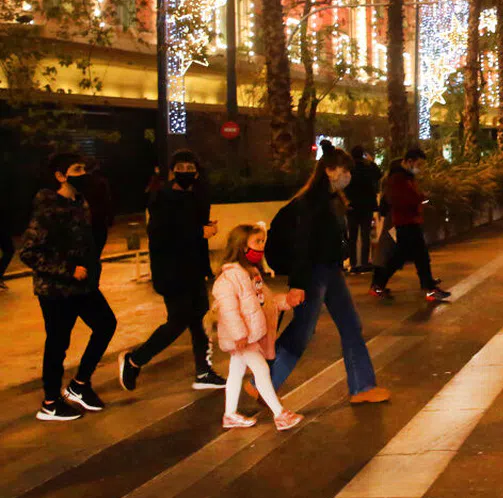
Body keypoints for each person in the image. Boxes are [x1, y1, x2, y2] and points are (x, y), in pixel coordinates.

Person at [261, 147, 390, 405]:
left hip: (329, 270)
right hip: (314, 272)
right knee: (303, 330)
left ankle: (362, 386)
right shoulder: (312, 203)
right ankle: (265, 382)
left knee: (350, 326)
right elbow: (302, 246)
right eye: (344, 171)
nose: (347, 176)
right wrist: (297, 284)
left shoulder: (330, 199)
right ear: (329, 170)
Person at [20, 152, 118, 421]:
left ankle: (79, 385)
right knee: (58, 344)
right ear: (60, 176)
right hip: (55, 290)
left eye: (84, 168)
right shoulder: (48, 207)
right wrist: (67, 269)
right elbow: (29, 252)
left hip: (83, 286)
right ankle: (50, 402)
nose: (83, 173)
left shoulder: (81, 203)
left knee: (106, 324)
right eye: (76, 169)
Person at [120, 150, 225, 393]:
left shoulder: (199, 196)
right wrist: (199, 232)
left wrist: (206, 233)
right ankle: (135, 360)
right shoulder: (161, 198)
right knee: (177, 321)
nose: (186, 172)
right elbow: (160, 236)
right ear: (172, 171)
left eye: (190, 168)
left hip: (194, 269)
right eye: (181, 167)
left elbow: (196, 231)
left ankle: (203, 371)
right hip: (171, 271)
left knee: (200, 320)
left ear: (197, 172)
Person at [209, 223, 303, 431]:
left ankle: (230, 414)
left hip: (248, 335)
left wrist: (285, 301)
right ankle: (280, 414)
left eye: (263, 241)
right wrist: (239, 334)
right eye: (257, 242)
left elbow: (265, 301)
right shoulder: (231, 277)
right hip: (243, 337)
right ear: (243, 247)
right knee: (261, 370)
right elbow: (229, 310)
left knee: (236, 371)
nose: (261, 247)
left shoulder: (251, 273)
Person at [370, 147, 449, 302]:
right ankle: (428, 288)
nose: (420, 168)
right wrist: (420, 199)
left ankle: (427, 287)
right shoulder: (398, 178)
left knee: (408, 258)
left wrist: (420, 199)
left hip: (410, 221)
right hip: (405, 223)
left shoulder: (406, 177)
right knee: (415, 257)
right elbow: (402, 200)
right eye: (418, 164)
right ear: (409, 161)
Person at [346, 145, 381, 273]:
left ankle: (353, 263)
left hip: (352, 206)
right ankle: (365, 262)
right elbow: (379, 174)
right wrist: (371, 161)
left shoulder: (349, 169)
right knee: (365, 235)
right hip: (366, 206)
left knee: (353, 236)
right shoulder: (368, 167)